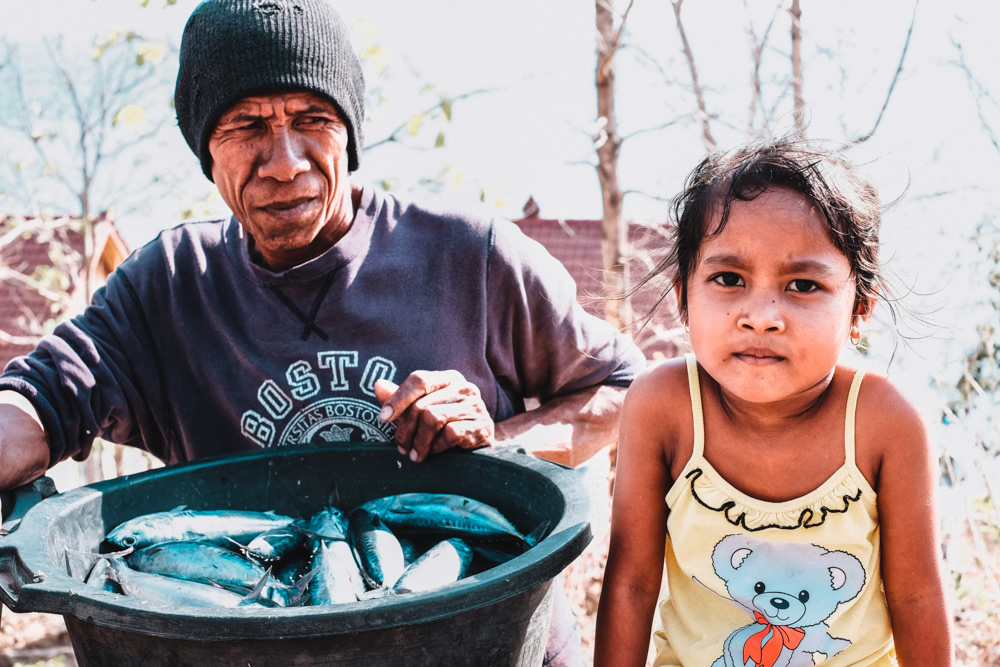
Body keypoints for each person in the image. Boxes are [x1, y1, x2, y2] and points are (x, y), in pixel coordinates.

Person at [0, 1, 647, 664]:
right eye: (247, 124)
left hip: (491, 641)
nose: (284, 162)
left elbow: (626, 393)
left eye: (313, 119)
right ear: (205, 146)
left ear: (349, 132)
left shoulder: (469, 255)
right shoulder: (170, 286)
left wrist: (499, 449)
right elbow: (38, 401)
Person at [593, 138, 952, 666]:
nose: (761, 315)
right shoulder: (664, 406)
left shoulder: (882, 421)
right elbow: (630, 583)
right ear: (682, 296)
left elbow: (916, 596)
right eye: (728, 278)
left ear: (860, 309)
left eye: (803, 284)